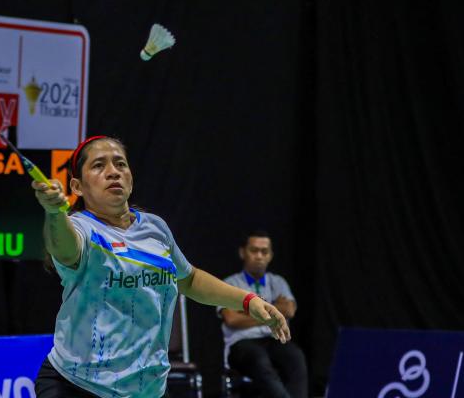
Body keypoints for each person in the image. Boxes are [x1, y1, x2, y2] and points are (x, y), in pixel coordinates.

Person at [31, 136, 291, 398]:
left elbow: (189, 280)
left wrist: (248, 301)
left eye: (120, 164)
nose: (113, 172)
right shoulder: (81, 229)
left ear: (130, 177)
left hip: (147, 390)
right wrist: (54, 213)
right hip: (77, 387)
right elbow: (63, 249)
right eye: (99, 166)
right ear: (77, 186)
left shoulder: (155, 228)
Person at [218, 230, 307, 398]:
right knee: (259, 360)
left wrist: (247, 313)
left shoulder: (278, 282)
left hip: (274, 339)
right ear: (243, 252)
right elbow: (231, 319)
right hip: (242, 343)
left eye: (264, 252)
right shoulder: (230, 284)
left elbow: (290, 310)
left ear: (270, 256)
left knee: (295, 356)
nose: (259, 256)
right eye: (254, 250)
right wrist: (274, 310)